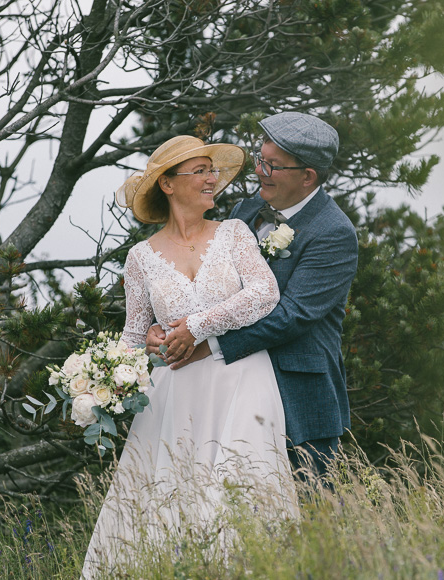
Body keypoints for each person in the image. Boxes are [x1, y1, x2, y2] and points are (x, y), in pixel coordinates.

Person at [81, 135, 296, 578]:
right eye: (199, 171)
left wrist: (197, 327)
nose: (211, 179)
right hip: (175, 393)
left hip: (242, 378)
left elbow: (265, 293)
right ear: (168, 184)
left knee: (241, 484)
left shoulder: (234, 233)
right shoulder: (141, 258)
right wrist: (103, 376)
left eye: (211, 171)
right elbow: (135, 334)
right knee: (171, 496)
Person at [153, 112, 358, 480]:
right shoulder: (244, 211)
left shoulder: (334, 233)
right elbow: (209, 287)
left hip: (297, 398)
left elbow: (292, 315)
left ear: (307, 176)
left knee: (303, 523)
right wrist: (165, 327)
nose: (259, 171)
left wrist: (206, 343)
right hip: (227, 394)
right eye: (260, 159)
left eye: (273, 165)